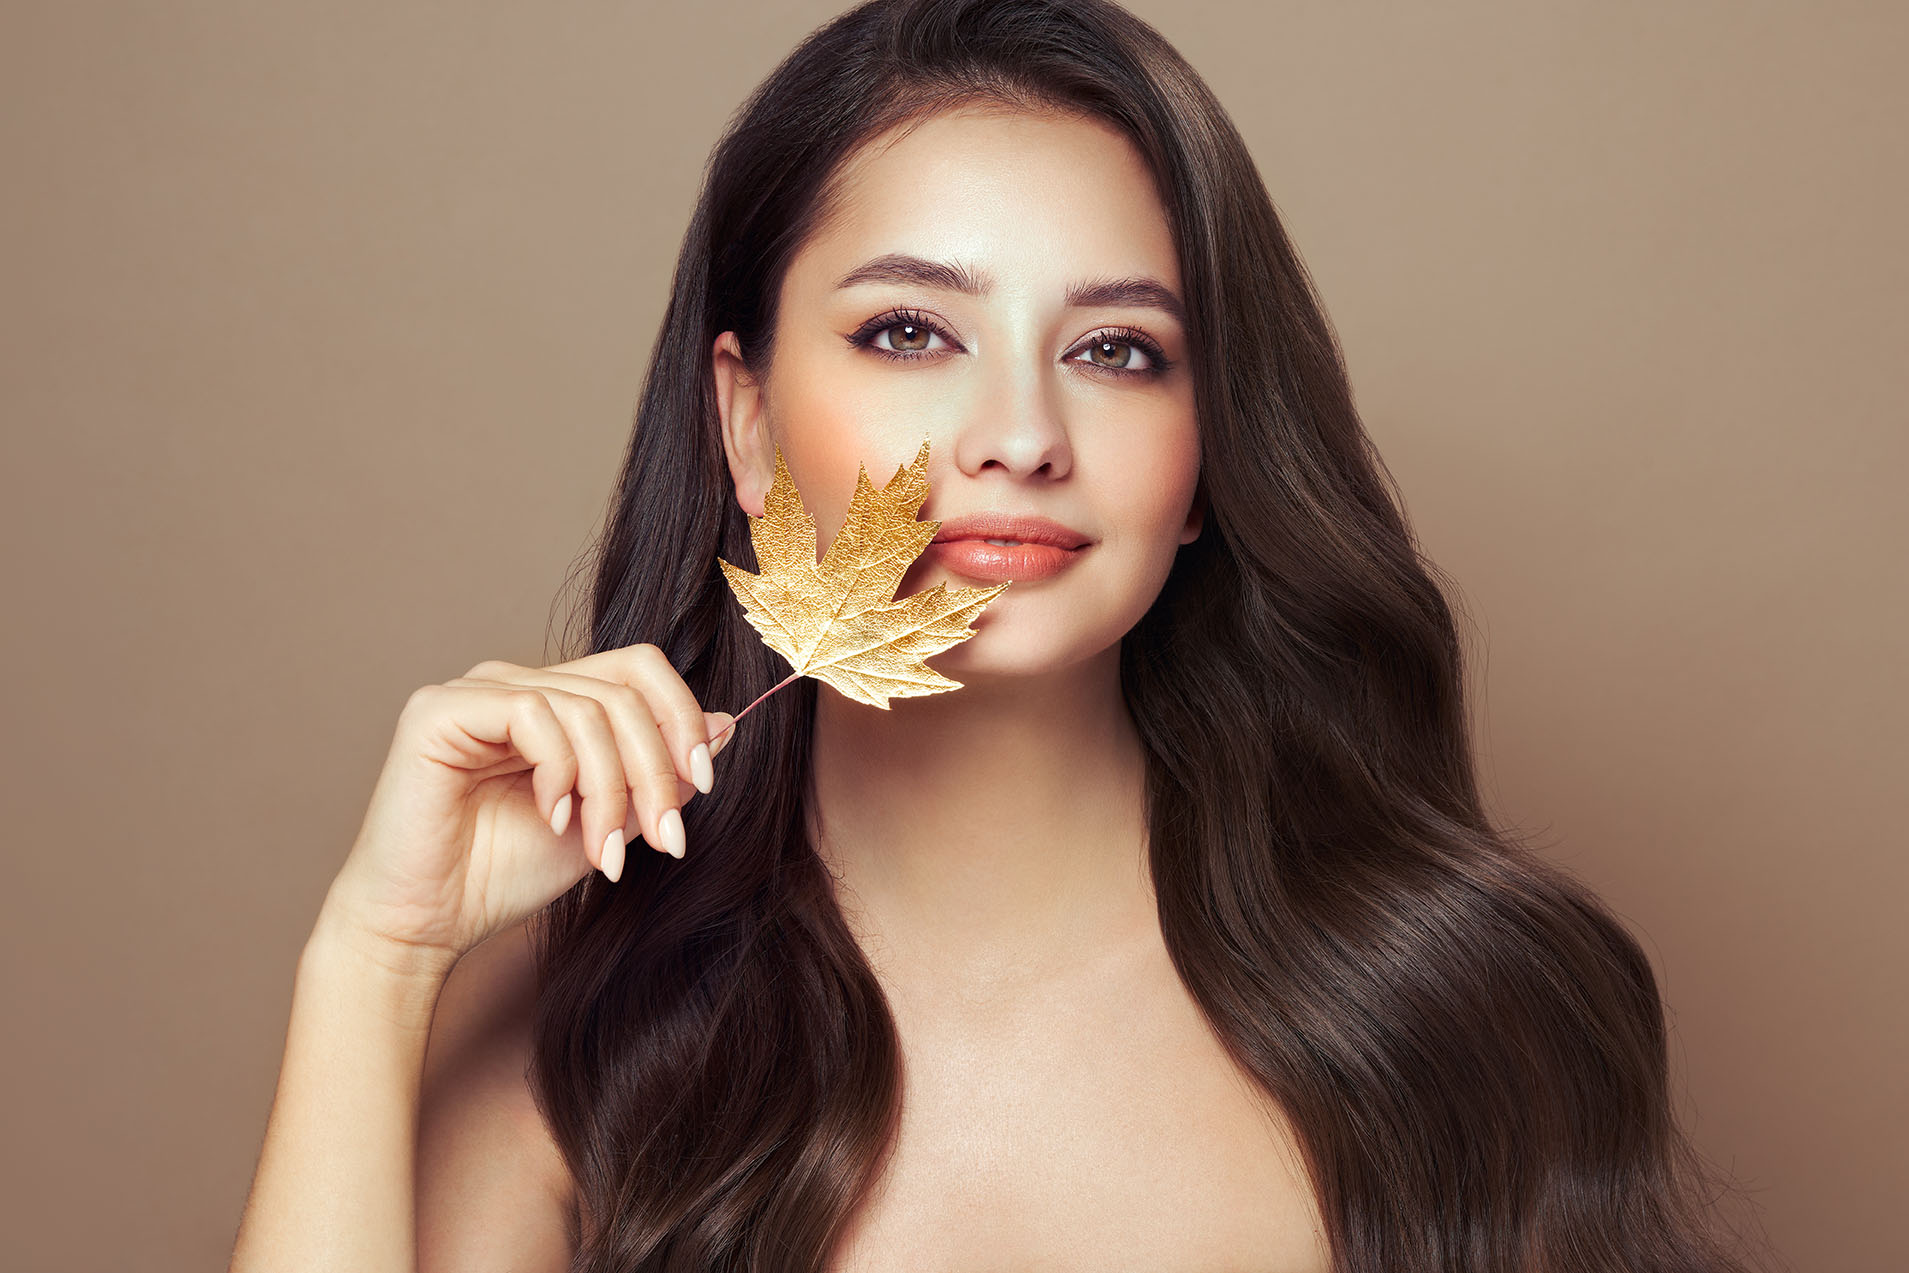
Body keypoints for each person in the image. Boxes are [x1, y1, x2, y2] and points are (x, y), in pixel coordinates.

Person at [228, 1, 1757, 1270]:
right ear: (745, 424)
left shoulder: (1471, 1014)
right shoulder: (560, 1048)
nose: (1021, 434)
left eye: (1116, 350)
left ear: (1210, 453)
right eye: (909, 331)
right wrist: (376, 956)